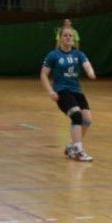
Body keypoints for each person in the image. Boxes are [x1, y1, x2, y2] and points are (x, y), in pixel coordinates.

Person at [41, 27, 97, 162]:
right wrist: (50, 91)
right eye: (65, 35)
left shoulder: (78, 54)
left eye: (70, 36)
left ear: (73, 38)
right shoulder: (53, 55)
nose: (68, 38)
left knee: (87, 119)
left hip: (76, 91)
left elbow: (86, 64)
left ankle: (71, 146)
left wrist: (90, 72)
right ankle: (78, 150)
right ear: (60, 38)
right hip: (62, 91)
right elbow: (43, 74)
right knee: (76, 116)